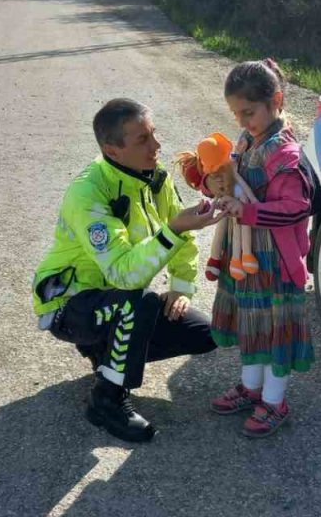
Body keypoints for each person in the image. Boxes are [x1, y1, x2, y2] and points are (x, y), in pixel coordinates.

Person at [31, 98, 220, 443]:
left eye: (154, 134)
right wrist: (173, 231)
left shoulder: (155, 178)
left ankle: (107, 355)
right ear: (113, 151)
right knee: (138, 302)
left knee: (206, 333)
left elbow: (183, 230)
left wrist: (180, 286)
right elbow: (124, 274)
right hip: (71, 306)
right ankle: (107, 399)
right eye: (142, 140)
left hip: (117, 300)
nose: (156, 146)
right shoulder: (88, 194)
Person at [207, 59, 316, 438]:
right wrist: (216, 184)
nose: (242, 121)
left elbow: (296, 208)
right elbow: (234, 177)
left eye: (249, 112)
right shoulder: (247, 140)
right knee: (253, 327)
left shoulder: (284, 153)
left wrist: (248, 210)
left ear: (277, 101)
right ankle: (251, 389)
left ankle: (274, 401)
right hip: (248, 259)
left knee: (275, 336)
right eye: (236, 113)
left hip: (276, 262)